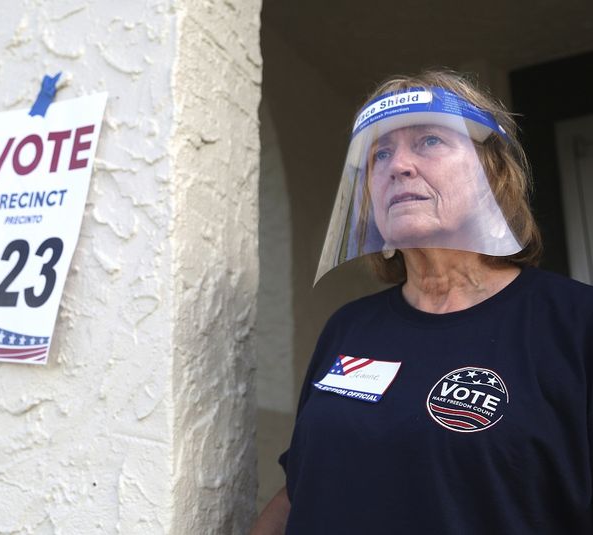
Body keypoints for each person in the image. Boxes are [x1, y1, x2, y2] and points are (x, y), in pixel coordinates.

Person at [251, 70, 593, 534]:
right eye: (381, 154)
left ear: (492, 174)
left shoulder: (574, 323)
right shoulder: (350, 327)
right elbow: (301, 489)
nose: (398, 166)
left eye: (430, 141)